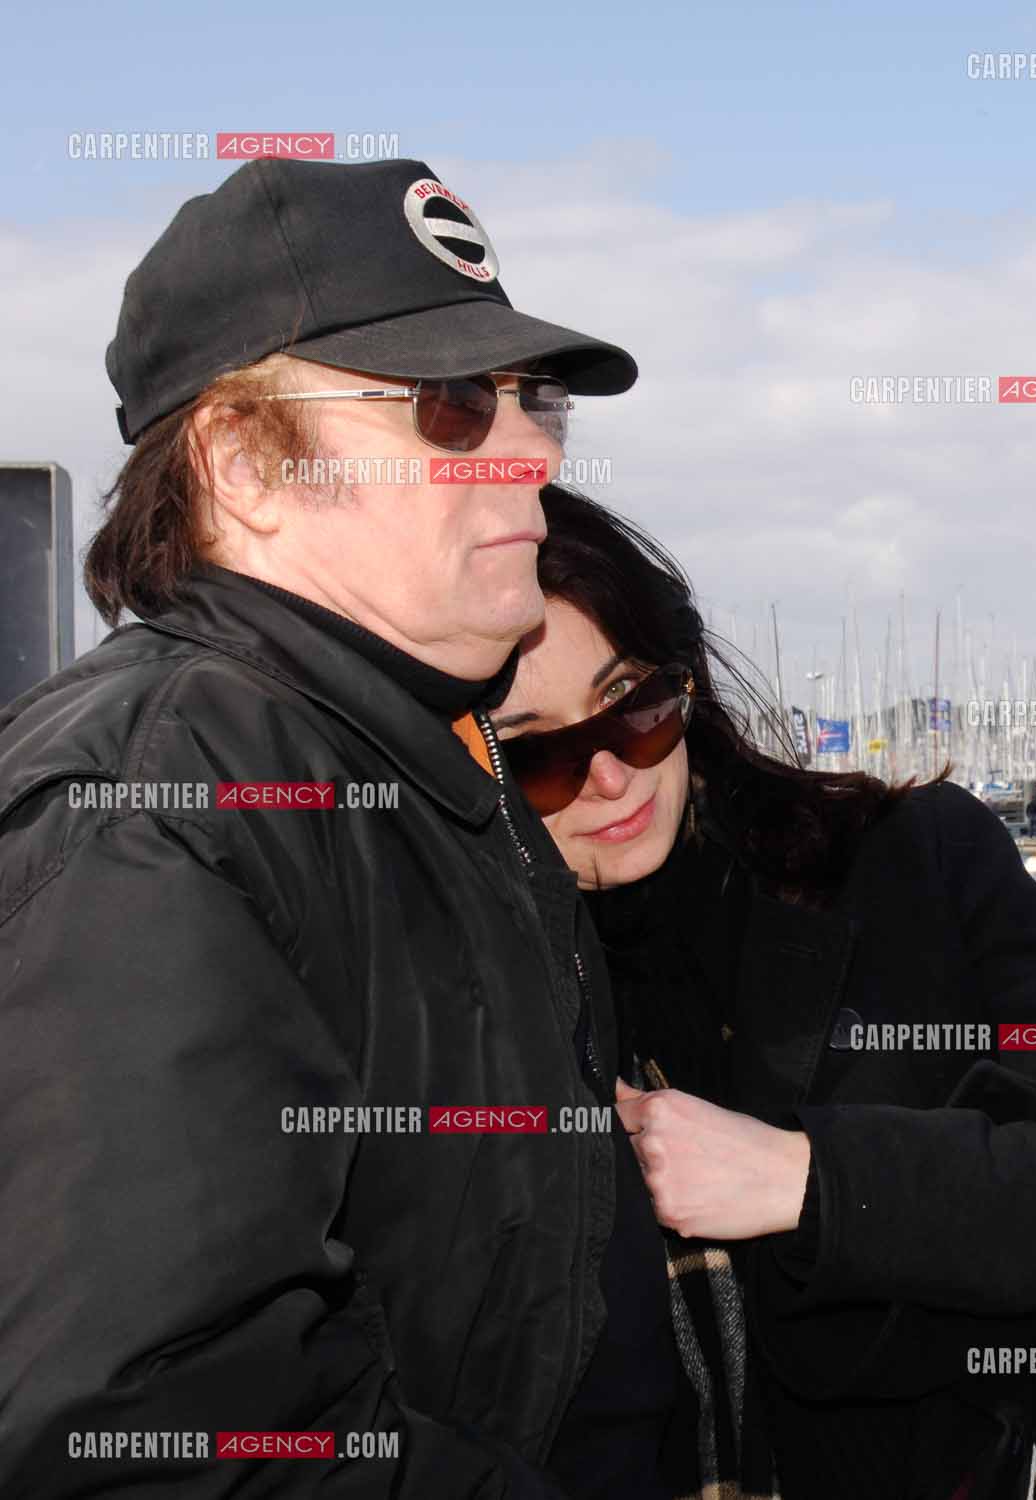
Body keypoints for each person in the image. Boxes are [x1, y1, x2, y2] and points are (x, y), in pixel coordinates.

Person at [488, 486, 1036, 1499]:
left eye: (635, 705)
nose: (610, 775)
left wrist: (812, 1182)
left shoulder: (907, 859)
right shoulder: (486, 998)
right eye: (537, 754)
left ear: (684, 678)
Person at [0, 161, 663, 1496]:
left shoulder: (414, 757)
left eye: (534, 403)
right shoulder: (155, 807)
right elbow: (150, 1441)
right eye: (452, 406)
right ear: (245, 464)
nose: (536, 452)